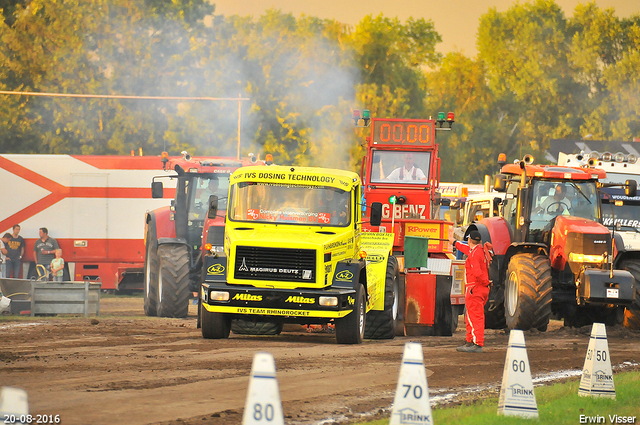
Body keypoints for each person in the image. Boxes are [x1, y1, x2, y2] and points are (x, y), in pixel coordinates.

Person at [450, 230, 491, 353]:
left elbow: (477, 273)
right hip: (480, 289)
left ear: (469, 240)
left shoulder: (473, 254)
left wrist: (485, 281)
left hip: (474, 288)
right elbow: (465, 249)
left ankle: (476, 343)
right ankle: (470, 340)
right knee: (470, 316)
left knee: (474, 317)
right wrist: (454, 243)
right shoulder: (480, 251)